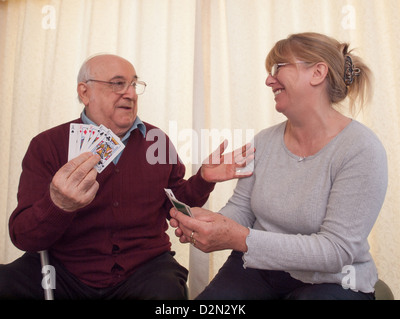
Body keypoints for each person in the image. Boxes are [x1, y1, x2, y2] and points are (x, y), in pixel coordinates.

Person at [0, 54, 254, 300]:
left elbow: (176, 204)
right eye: (117, 84)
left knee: (165, 292)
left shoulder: (157, 141)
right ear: (84, 92)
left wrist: (203, 178)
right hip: (63, 269)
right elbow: (24, 236)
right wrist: (58, 205)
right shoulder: (47, 145)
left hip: (144, 268)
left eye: (134, 84)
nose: (130, 93)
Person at [170, 32, 388, 300]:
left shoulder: (361, 148)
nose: (268, 80)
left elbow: (335, 251)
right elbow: (242, 208)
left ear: (318, 73)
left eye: (278, 67)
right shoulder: (265, 141)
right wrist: (212, 224)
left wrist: (240, 238)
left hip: (333, 279)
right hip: (260, 269)